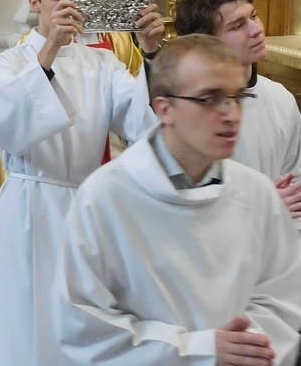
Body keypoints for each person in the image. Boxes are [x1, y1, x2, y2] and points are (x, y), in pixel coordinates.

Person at [0, 0, 163, 365]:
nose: (66, 8)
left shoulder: (102, 64)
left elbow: (147, 123)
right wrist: (51, 46)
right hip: (28, 204)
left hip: (82, 209)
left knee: (78, 317)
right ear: (35, 3)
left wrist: (153, 53)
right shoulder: (9, 62)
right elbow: (6, 129)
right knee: (22, 316)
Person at [57, 34, 301, 365]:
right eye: (210, 99)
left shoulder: (256, 193)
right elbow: (83, 323)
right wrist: (197, 350)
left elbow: (284, 297)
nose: (231, 114)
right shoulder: (106, 197)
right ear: (165, 108)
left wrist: (246, 347)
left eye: (237, 97)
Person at [174, 0, 301, 218]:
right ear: (208, 43)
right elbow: (178, 200)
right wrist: (263, 207)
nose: (257, 30)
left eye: (253, 16)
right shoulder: (185, 109)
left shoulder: (279, 98)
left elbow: (295, 181)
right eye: (237, 26)